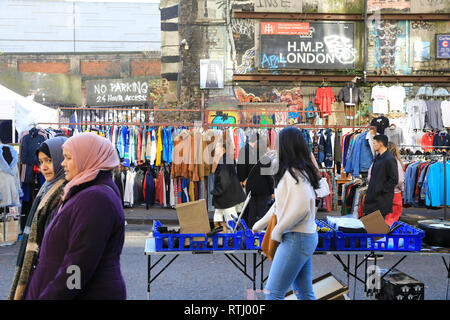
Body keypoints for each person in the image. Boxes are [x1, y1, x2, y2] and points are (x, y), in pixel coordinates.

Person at [24, 132, 126, 300]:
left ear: (88, 158)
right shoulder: (83, 192)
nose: (63, 163)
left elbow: (79, 266)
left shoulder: (95, 199)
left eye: (69, 158)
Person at [252, 127, 320, 300]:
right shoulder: (296, 171)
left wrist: (278, 230)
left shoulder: (293, 173)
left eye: (277, 143)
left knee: (273, 293)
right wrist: (260, 224)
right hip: (302, 237)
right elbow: (280, 205)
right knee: (304, 293)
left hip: (296, 237)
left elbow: (301, 207)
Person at [9, 137, 68, 300]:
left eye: (49, 160)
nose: (44, 167)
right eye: (41, 161)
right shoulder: (46, 188)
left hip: (49, 274)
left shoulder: (65, 193)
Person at [237, 131, 274, 228]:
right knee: (262, 213)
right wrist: (272, 190)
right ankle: (261, 234)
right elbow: (269, 177)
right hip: (263, 190)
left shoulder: (251, 156)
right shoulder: (266, 159)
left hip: (251, 189)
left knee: (252, 213)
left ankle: (250, 233)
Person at [211, 141, 247, 236]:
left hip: (227, 198)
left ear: (223, 150)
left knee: (230, 219)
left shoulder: (224, 161)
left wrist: (215, 192)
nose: (215, 151)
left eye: (217, 149)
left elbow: (224, 181)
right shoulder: (225, 160)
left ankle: (232, 238)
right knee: (219, 216)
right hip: (226, 197)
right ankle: (222, 237)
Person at [363, 135, 399, 217]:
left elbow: (394, 179)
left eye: (374, 143)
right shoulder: (378, 157)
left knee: (378, 227)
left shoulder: (389, 159)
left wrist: (380, 189)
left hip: (381, 199)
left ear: (381, 144)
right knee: (371, 225)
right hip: (373, 198)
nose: (373, 145)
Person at [385, 142, 405, 226]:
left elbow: (370, 177)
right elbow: (400, 180)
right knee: (392, 219)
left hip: (381, 193)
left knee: (382, 218)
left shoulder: (378, 161)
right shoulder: (396, 163)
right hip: (394, 193)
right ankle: (389, 237)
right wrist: (402, 189)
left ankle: (380, 236)